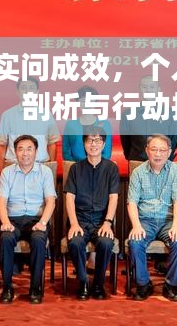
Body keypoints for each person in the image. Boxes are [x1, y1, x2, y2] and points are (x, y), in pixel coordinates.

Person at [0, 135, 56, 304]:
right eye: (20, 149)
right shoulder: (7, 172)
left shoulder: (45, 172)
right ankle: (7, 287)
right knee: (6, 239)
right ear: (15, 152)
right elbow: (1, 202)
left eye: (29, 149)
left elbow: (51, 201)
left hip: (36, 220)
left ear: (36, 151)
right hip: (13, 220)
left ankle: (35, 288)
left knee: (38, 240)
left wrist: (43, 223)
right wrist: (5, 222)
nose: (25, 153)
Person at [127, 134, 177, 302]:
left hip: (168, 221)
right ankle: (143, 283)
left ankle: (171, 284)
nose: (158, 154)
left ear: (169, 152)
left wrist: (176, 226)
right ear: (147, 151)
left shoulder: (175, 171)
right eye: (154, 149)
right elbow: (132, 202)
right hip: (145, 221)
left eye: (162, 150)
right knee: (135, 242)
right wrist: (136, 225)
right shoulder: (138, 172)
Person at [64, 127, 119, 300]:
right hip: (79, 220)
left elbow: (113, 197)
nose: (93, 144)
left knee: (106, 243)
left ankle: (98, 284)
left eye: (97, 140)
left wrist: (108, 222)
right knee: (75, 242)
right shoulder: (75, 169)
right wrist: (73, 223)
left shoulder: (111, 168)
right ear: (84, 144)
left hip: (101, 220)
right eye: (89, 140)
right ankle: (83, 282)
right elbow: (69, 198)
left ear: (103, 144)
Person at [0, 77, 60, 170]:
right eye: (24, 88)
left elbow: (52, 144)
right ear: (17, 91)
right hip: (13, 166)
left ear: (37, 92)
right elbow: (2, 145)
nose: (27, 91)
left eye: (31, 88)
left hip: (40, 166)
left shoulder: (46, 114)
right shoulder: (7, 115)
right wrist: (1, 172)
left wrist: (51, 169)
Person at [120, 75, 177, 163]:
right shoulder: (128, 113)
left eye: (152, 87)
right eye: (144, 87)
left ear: (158, 89)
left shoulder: (170, 112)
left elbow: (173, 140)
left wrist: (165, 158)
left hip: (163, 163)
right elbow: (125, 141)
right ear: (139, 89)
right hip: (137, 162)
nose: (148, 90)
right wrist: (133, 157)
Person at [62, 85, 113, 162]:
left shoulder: (105, 125)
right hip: (76, 166)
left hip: (100, 167)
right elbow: (66, 153)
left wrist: (96, 165)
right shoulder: (70, 125)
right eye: (83, 101)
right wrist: (78, 166)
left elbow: (107, 153)